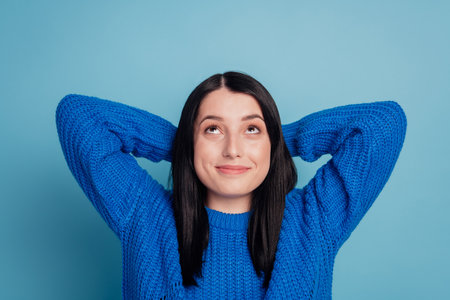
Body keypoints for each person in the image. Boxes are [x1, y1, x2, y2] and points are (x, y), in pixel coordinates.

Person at [55, 71, 407, 299]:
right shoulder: (144, 214)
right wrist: (185, 149)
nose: (233, 149)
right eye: (213, 129)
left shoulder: (315, 219)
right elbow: (79, 117)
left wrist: (276, 144)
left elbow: (382, 124)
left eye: (251, 129)